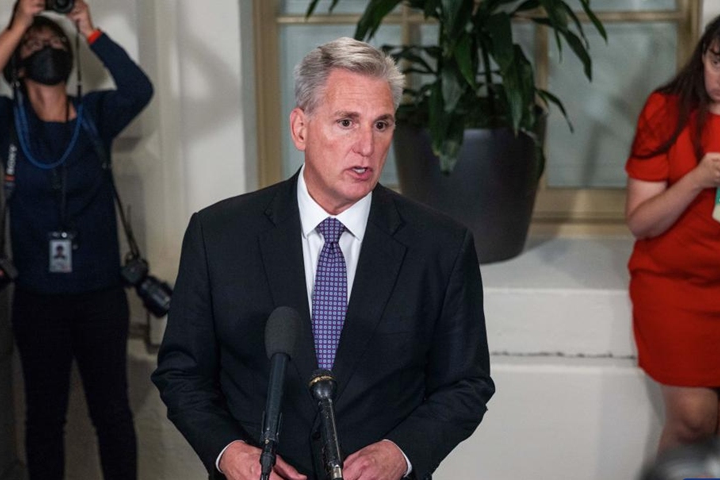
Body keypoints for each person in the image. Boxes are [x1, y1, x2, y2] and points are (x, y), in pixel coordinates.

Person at [152, 37, 494, 480]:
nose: (366, 146)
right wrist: (229, 453)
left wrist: (400, 454)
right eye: (346, 122)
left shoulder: (441, 246)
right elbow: (181, 373)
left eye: (381, 124)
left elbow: (465, 384)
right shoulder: (218, 234)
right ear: (300, 129)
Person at [0, 0, 153, 478]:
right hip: (38, 298)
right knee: (45, 419)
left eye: (54, 42)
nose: (46, 47)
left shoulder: (96, 114)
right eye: (35, 44)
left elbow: (138, 88)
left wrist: (87, 28)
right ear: (19, 64)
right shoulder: (8, 121)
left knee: (112, 414)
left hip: (101, 295)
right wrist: (20, 23)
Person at [626, 9, 720, 454]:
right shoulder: (666, 109)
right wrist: (696, 180)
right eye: (716, 62)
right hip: (674, 288)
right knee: (693, 420)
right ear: (702, 55)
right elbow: (640, 222)